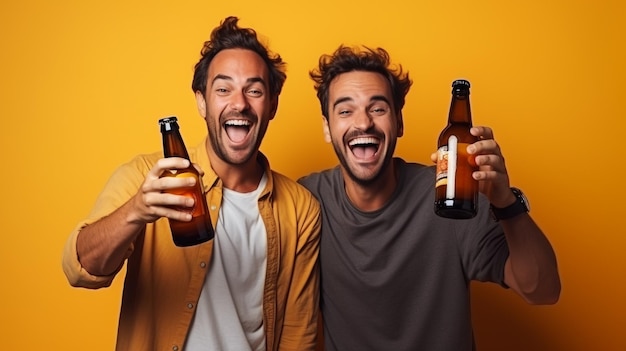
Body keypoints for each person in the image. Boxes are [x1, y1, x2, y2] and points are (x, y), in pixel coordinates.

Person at [62, 16, 321, 351]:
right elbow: (81, 269)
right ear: (202, 101)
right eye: (223, 89)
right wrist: (135, 212)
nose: (239, 103)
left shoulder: (300, 209)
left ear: (272, 104)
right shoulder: (146, 177)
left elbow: (299, 334)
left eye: (254, 90)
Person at [298, 45, 561, 351]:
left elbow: (543, 290)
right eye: (345, 110)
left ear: (399, 122)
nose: (363, 123)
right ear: (327, 128)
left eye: (378, 108)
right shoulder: (307, 201)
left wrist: (505, 201)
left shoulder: (448, 191)